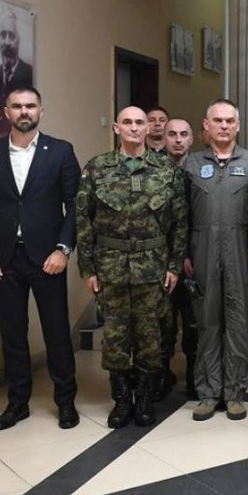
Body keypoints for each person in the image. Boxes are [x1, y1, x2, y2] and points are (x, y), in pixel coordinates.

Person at [0, 87, 80, 431]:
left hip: (48, 257)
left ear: (41, 111)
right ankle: (17, 403)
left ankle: (65, 401)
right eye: (17, 106)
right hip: (4, 258)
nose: (24, 111)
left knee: (57, 332)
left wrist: (63, 249)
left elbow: (76, 205)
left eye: (30, 105)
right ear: (6, 112)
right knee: (12, 334)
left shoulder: (60, 151)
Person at [76, 106, 187, 428]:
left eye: (140, 122)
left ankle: (146, 398)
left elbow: (180, 222)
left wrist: (174, 266)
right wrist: (87, 269)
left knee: (151, 337)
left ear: (148, 128)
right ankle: (122, 399)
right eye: (128, 122)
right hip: (111, 268)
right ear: (116, 128)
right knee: (115, 338)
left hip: (153, 268)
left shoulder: (166, 169)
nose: (135, 128)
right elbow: (83, 220)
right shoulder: (97, 168)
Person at [183, 100, 248, 422]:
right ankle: (207, 393)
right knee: (207, 323)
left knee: (239, 323)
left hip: (240, 251)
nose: (224, 126)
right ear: (207, 125)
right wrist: (183, 253)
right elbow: (181, 214)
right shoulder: (191, 164)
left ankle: (235, 394)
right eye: (218, 120)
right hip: (202, 251)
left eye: (230, 120)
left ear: (238, 125)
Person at [158, 118, 197, 399]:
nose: (178, 140)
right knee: (163, 322)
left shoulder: (200, 169)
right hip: (160, 259)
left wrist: (188, 254)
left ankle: (195, 376)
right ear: (163, 137)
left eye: (184, 134)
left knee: (193, 322)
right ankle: (161, 375)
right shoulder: (153, 169)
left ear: (192, 139)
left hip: (194, 259)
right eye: (172, 134)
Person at [0, 8, 34, 139]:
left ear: (19, 40)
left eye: (11, 36)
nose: (6, 42)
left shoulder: (29, 73)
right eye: (3, 35)